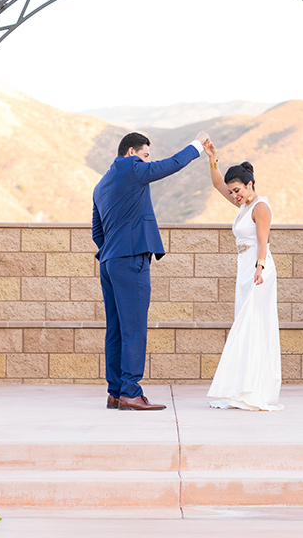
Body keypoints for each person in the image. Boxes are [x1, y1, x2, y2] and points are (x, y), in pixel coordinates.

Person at [92, 130, 209, 411]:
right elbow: (169, 165)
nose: (147, 162)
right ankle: (131, 393)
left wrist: (113, 249)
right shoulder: (132, 168)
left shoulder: (101, 184)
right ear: (131, 153)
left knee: (116, 330)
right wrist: (197, 145)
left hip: (109, 262)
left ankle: (115, 392)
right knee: (134, 329)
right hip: (130, 259)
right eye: (145, 156)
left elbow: (97, 231)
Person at [203, 140, 283, 411]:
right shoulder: (243, 205)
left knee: (252, 325)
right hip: (245, 267)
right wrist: (212, 158)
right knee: (244, 323)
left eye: (237, 190)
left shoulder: (260, 206)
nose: (234, 195)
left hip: (258, 269)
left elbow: (263, 242)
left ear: (250, 185)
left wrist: (259, 268)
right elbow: (216, 185)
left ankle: (254, 389)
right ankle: (242, 386)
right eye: (232, 192)